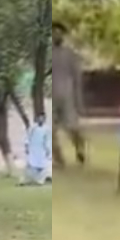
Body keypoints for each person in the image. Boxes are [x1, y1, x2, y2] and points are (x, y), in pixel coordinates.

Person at [47, 22, 87, 167]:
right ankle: (58, 159)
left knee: (72, 128)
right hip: (51, 96)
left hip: (67, 95)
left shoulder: (70, 54)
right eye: (53, 32)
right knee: (51, 130)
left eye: (59, 33)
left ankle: (80, 149)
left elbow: (77, 78)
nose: (56, 35)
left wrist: (79, 101)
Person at [21, 113, 52, 185]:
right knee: (30, 165)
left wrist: (48, 149)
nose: (40, 120)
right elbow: (27, 137)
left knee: (43, 165)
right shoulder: (32, 128)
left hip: (41, 149)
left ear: (44, 119)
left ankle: (40, 180)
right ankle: (24, 181)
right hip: (33, 149)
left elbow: (47, 140)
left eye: (42, 118)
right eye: (39, 118)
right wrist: (27, 147)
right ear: (37, 119)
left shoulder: (47, 129)